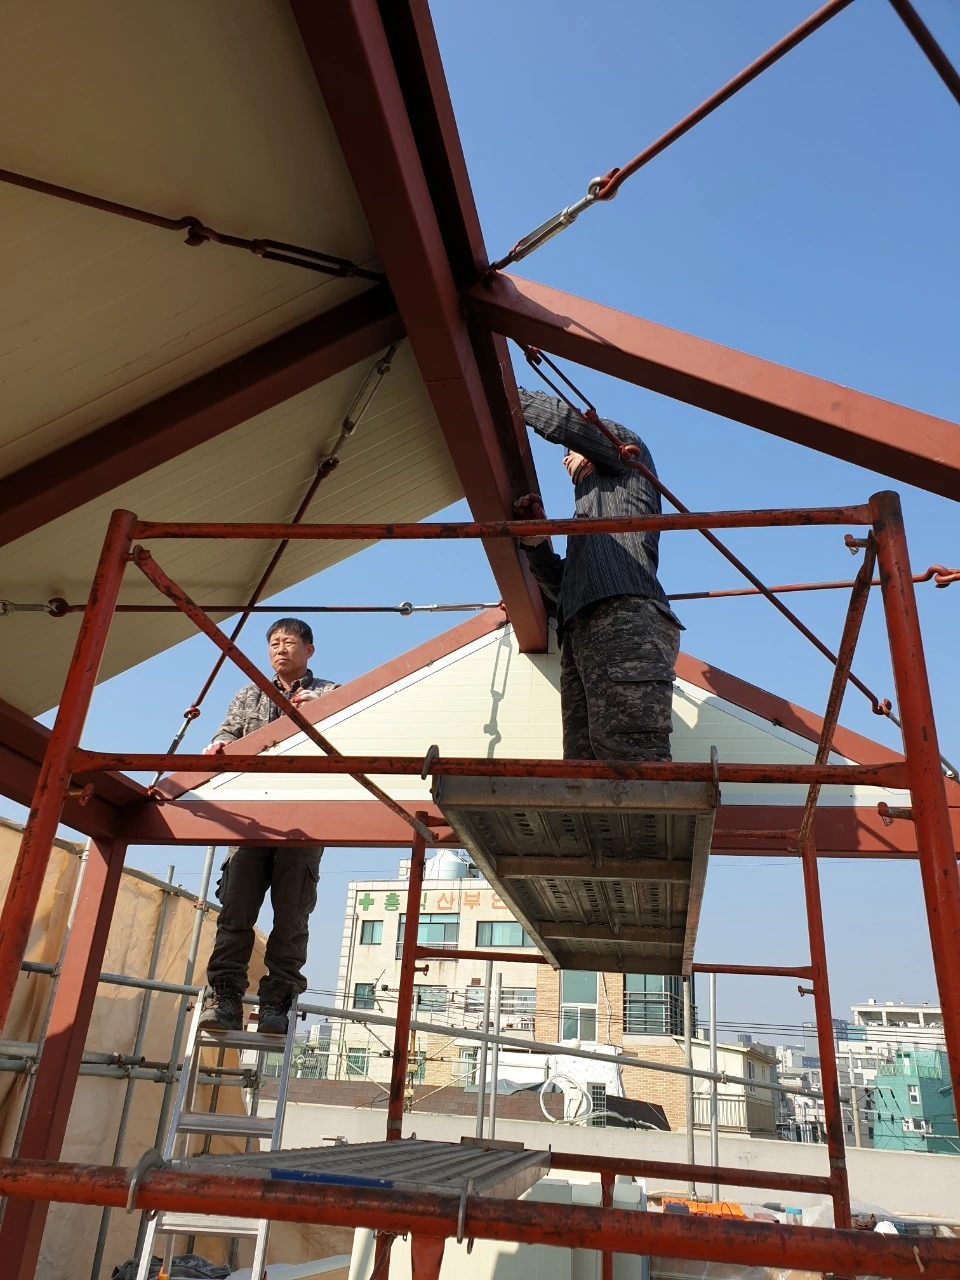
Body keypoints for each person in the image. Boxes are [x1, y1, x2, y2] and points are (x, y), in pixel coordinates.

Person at [514, 388, 683, 761]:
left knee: (631, 757)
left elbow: (569, 425)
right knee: (584, 765)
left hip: (624, 615)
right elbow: (567, 590)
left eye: (571, 451)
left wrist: (512, 395)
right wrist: (536, 544)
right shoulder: (587, 522)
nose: (565, 459)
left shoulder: (627, 454)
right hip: (585, 628)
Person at [199, 618, 339, 1034]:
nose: (281, 649)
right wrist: (220, 745)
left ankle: (277, 1004)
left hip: (303, 818)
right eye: (274, 643)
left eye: (289, 642)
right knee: (235, 910)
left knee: (292, 916)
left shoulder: (331, 693)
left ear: (309, 649)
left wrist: (320, 716)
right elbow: (227, 732)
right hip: (252, 816)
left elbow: (346, 740)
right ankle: (225, 999)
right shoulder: (249, 694)